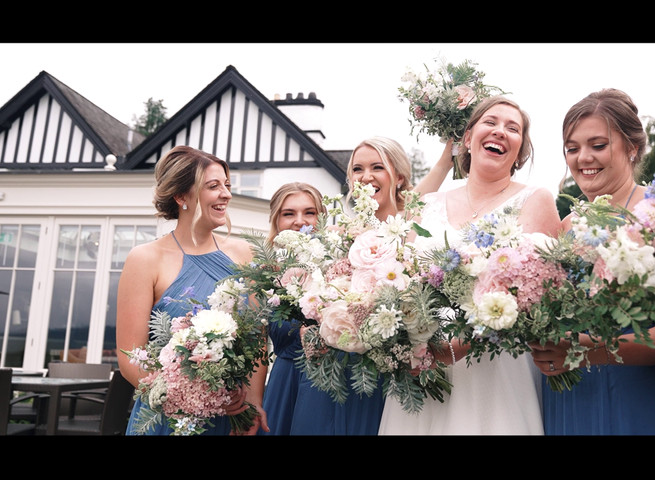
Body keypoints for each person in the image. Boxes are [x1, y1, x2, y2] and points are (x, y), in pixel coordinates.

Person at [378, 95, 562, 435]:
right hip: (424, 365)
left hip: (495, 368)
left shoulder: (536, 199)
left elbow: (542, 292)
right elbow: (395, 281)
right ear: (467, 138)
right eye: (490, 122)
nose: (500, 132)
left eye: (513, 128)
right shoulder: (427, 204)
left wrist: (467, 339)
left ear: (521, 152)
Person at [528, 88, 655, 435]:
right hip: (573, 398)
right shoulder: (565, 230)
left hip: (642, 399)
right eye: (572, 148)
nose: (583, 158)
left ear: (632, 147)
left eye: (598, 145)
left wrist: (583, 351)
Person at [289, 136, 453, 435]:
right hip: (334, 368)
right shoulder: (338, 233)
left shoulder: (410, 226)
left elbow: (432, 180)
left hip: (388, 373)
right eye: (357, 169)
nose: (366, 177)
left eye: (377, 167)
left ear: (399, 176)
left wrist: (449, 153)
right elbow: (313, 298)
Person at [116, 145, 267, 435]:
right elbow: (129, 356)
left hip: (230, 421)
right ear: (181, 196)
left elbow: (258, 338)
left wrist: (252, 401)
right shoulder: (145, 259)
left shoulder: (245, 253)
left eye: (227, 185)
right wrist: (194, 400)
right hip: (167, 419)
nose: (226, 194)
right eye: (213, 186)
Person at [257, 182, 326, 435]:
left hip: (329, 386)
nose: (299, 221)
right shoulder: (263, 276)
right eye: (289, 213)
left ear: (322, 218)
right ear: (276, 221)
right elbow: (256, 348)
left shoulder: (338, 268)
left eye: (309, 212)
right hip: (284, 386)